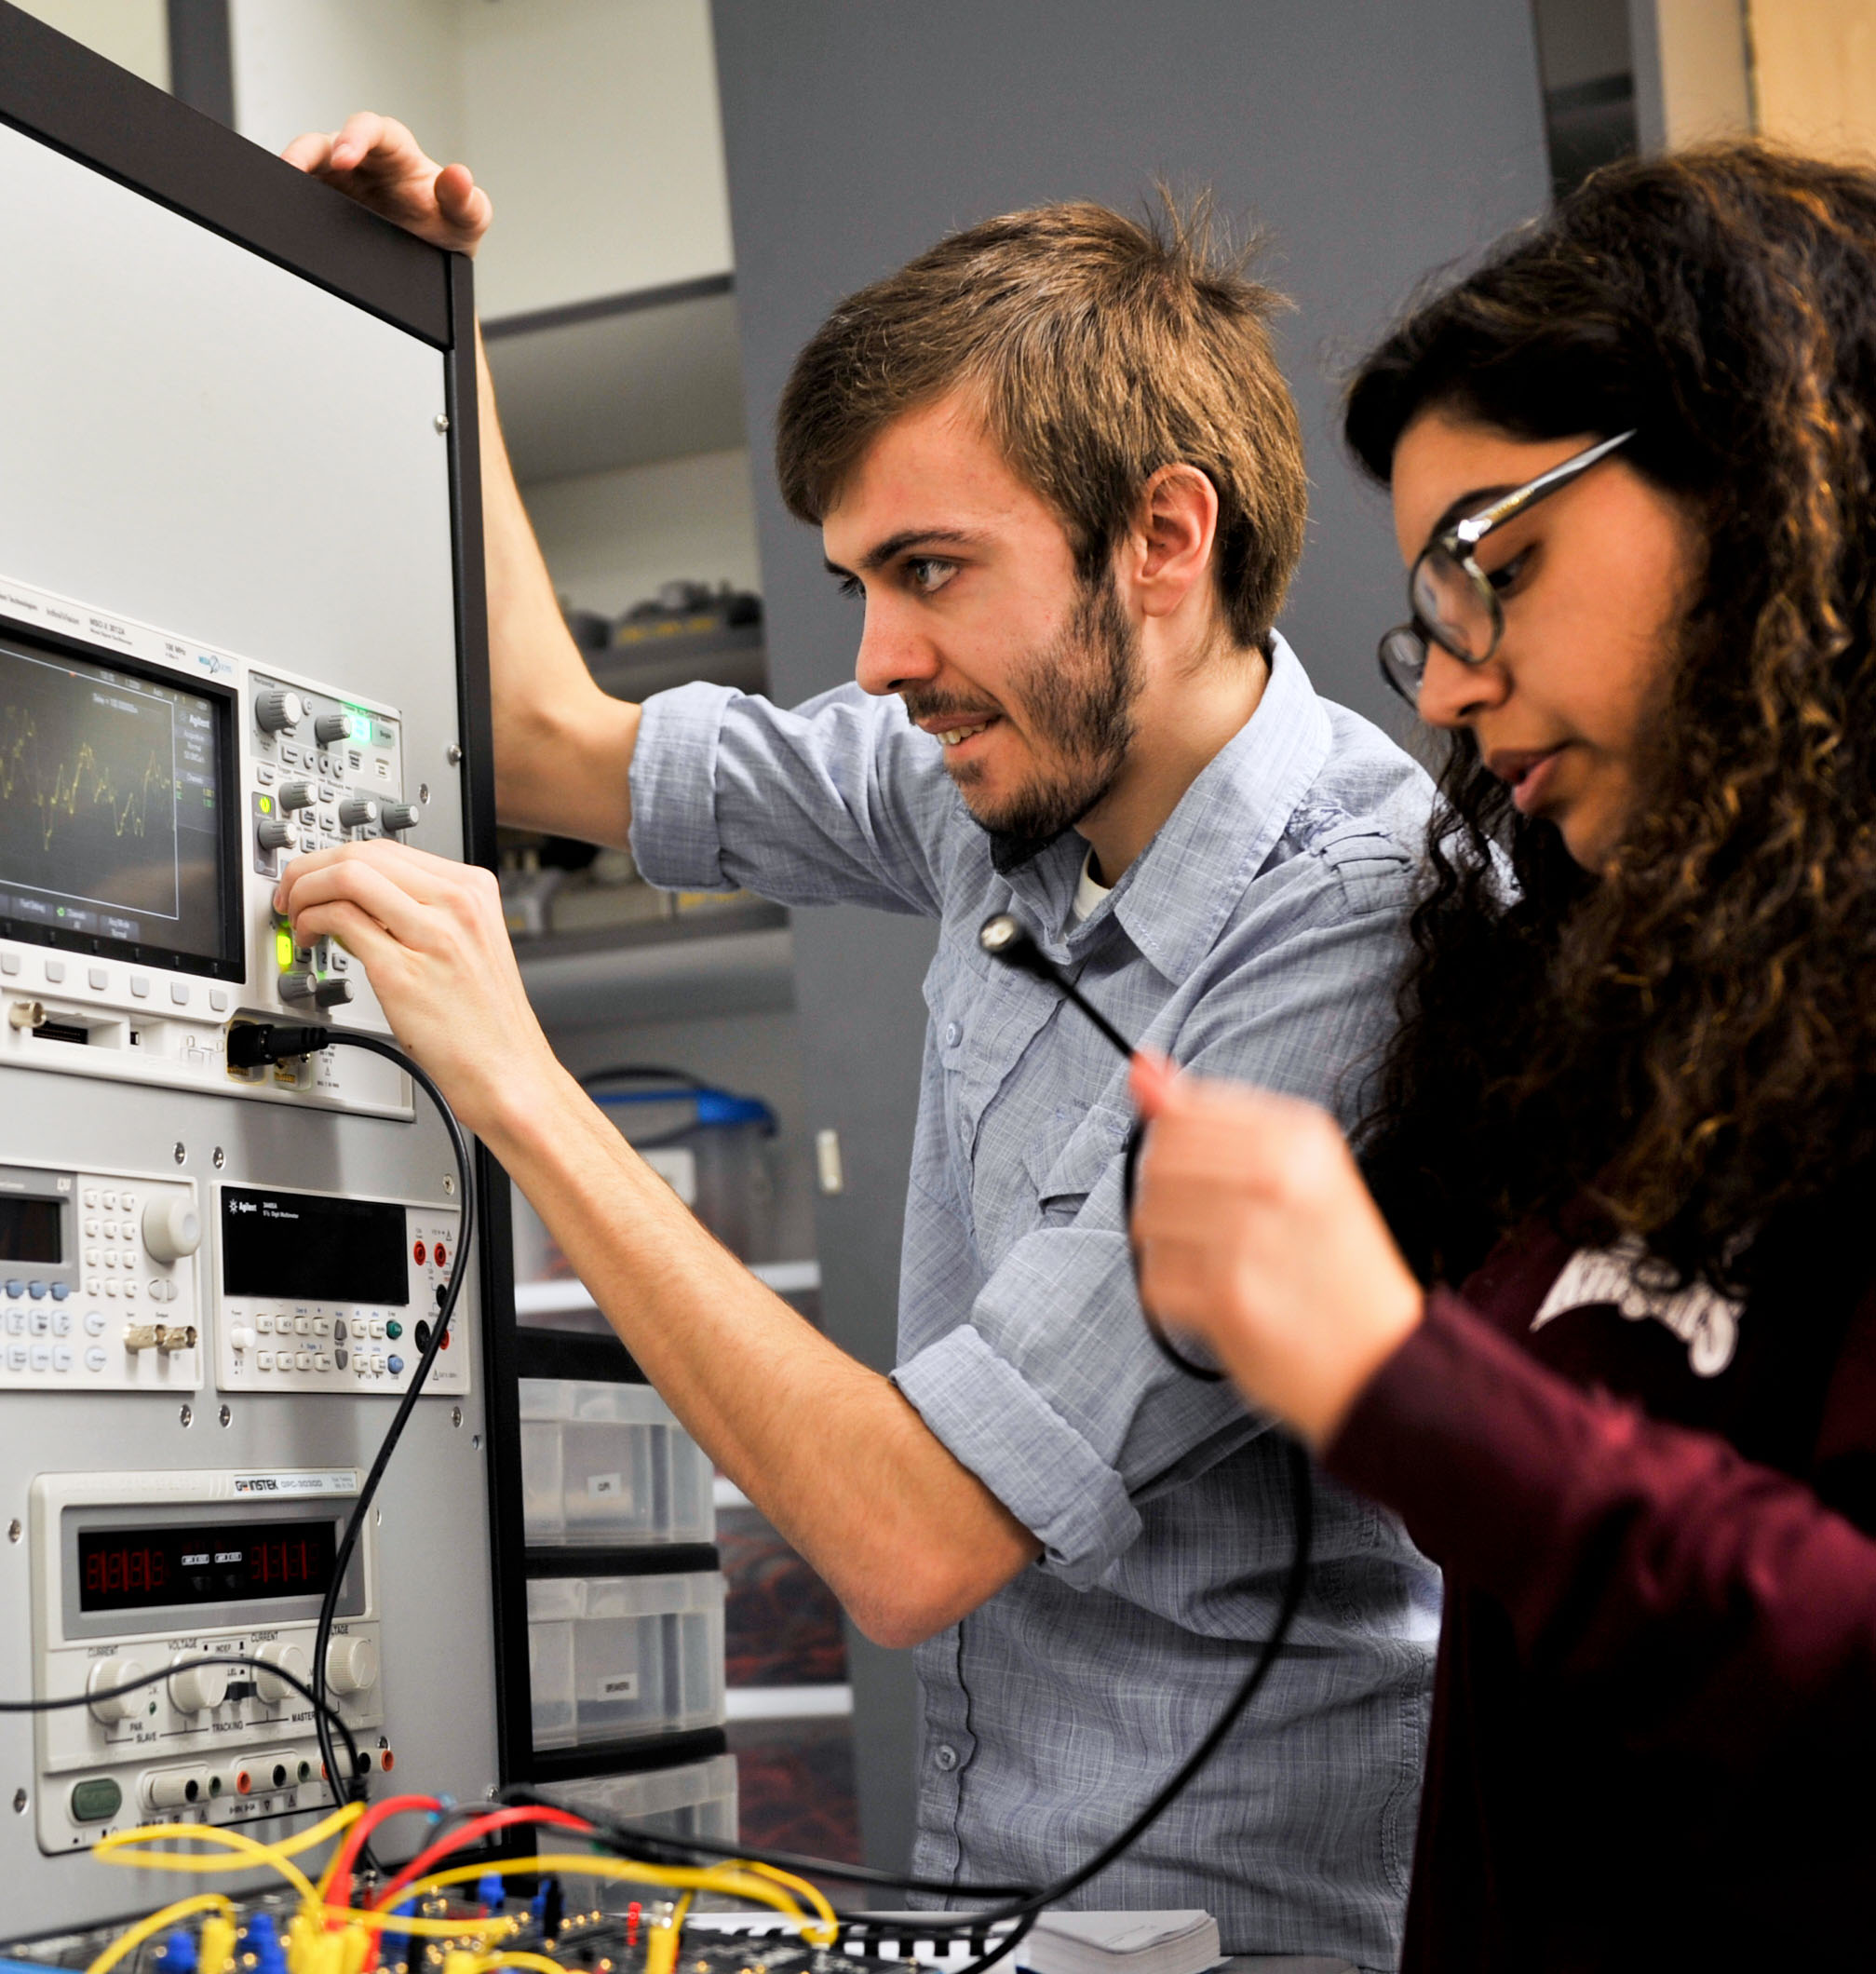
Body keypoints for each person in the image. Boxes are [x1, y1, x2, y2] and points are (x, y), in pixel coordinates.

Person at [279, 117, 1437, 1965]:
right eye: (858, 589)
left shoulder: (1359, 918)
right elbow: (545, 731)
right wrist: (444, 314)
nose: (887, 660)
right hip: (999, 1897)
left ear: (1162, 536)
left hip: (1246, 1935)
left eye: (932, 568)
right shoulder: (994, 772)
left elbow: (913, 1541)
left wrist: (518, 1084)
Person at [1127, 142, 1876, 1970]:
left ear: (1777, 486)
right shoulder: (1645, 1032)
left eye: (1500, 564)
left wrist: (1406, 1382)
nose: (1451, 685)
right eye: (1435, 610)